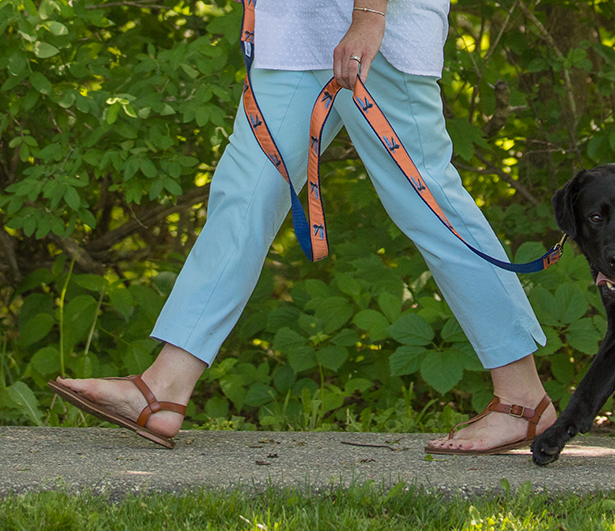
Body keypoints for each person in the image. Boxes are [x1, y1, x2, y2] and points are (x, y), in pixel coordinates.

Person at [49, 0, 555, 455]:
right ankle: (164, 386)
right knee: (243, 193)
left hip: (373, 34)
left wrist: (369, 15)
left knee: (432, 208)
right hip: (294, 31)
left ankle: (522, 400)